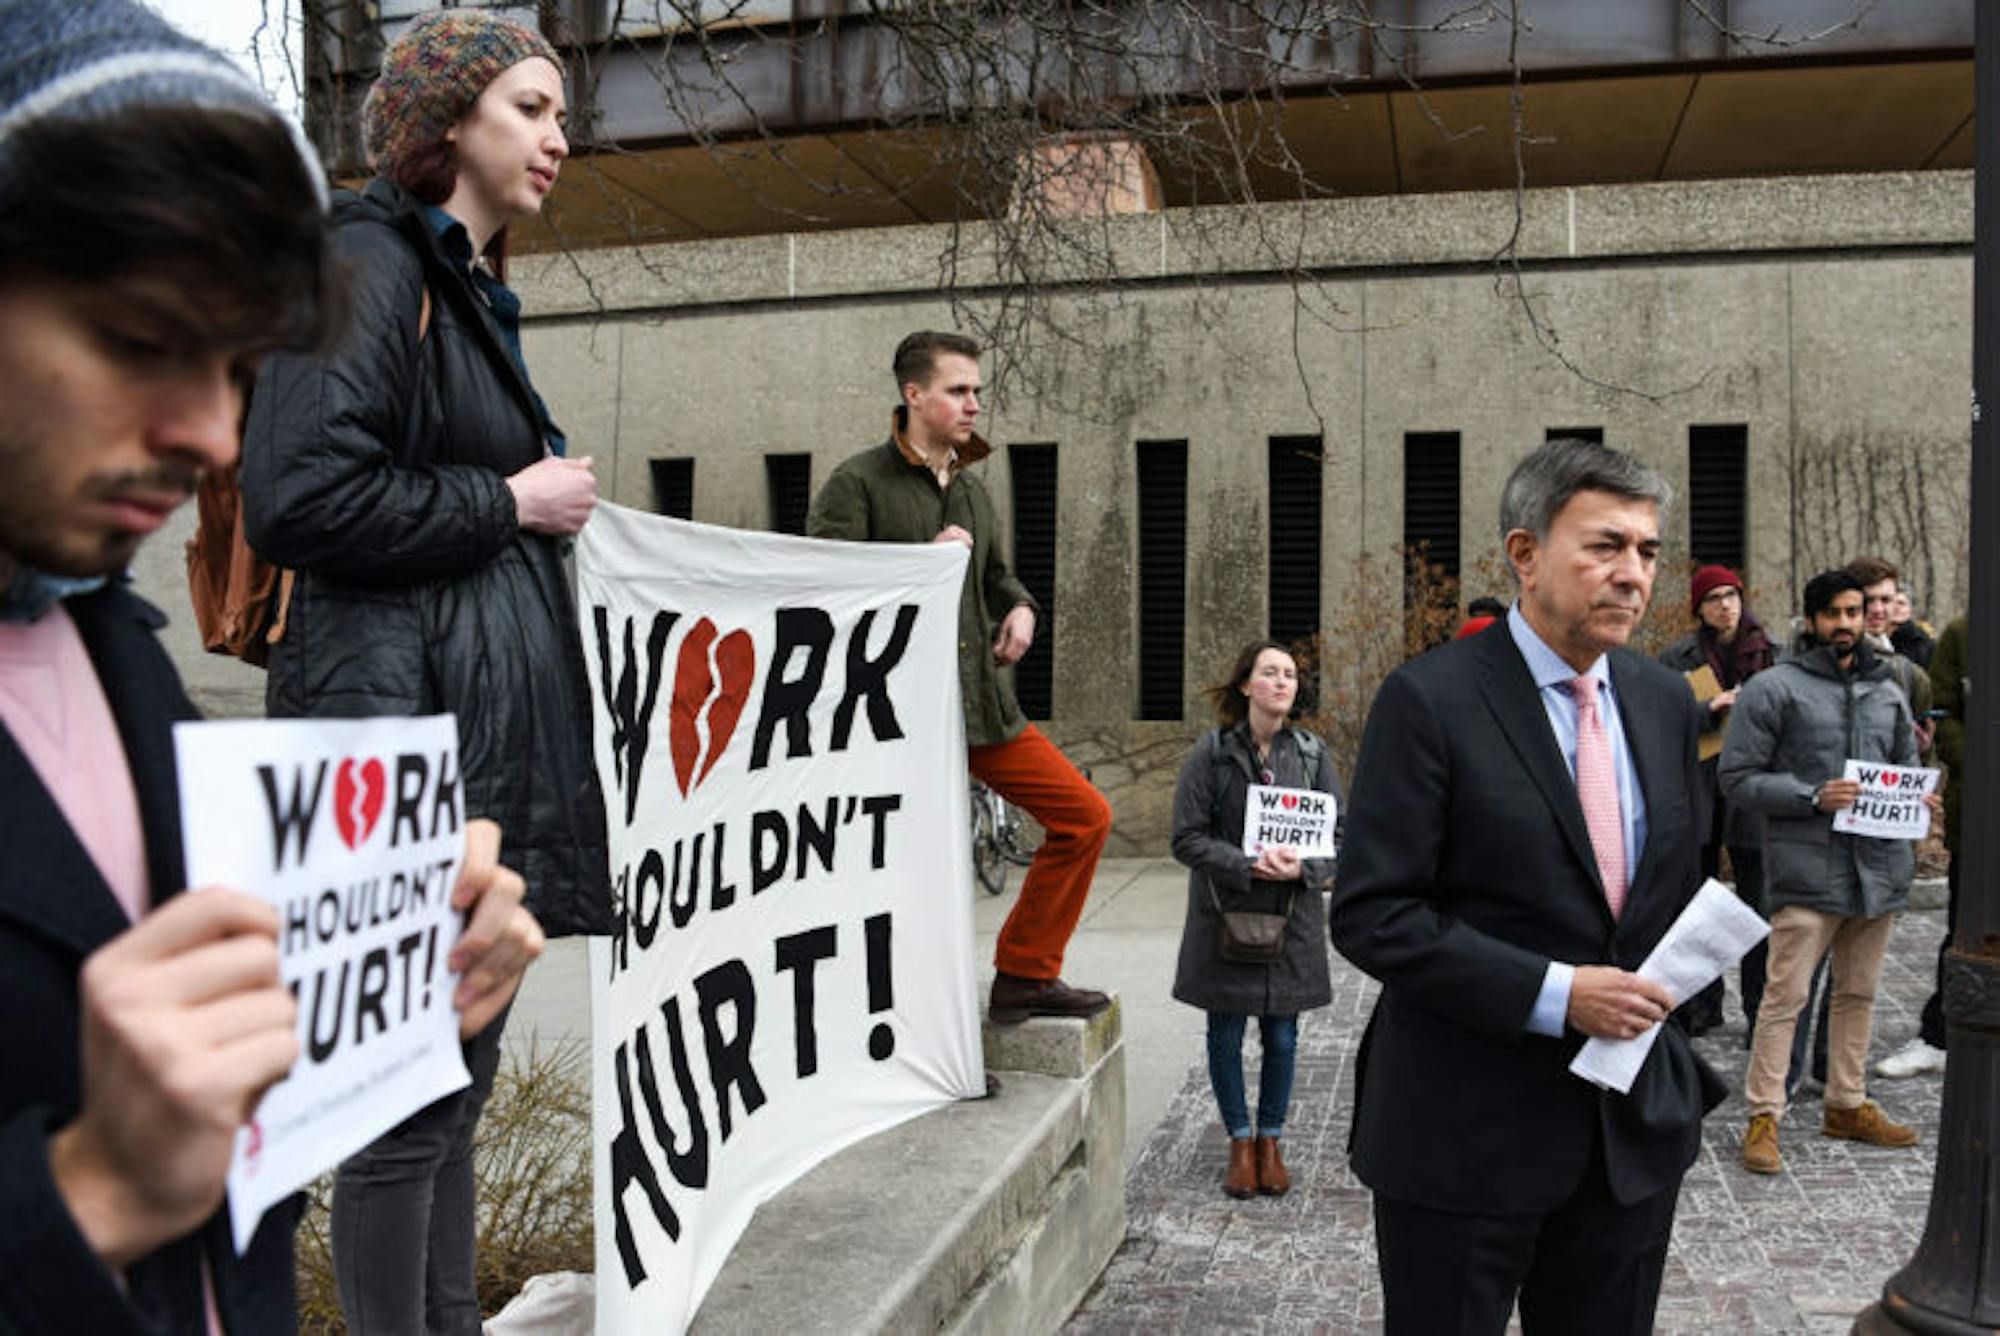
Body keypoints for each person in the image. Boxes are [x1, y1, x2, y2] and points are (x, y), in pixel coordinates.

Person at [0, 2, 543, 1329]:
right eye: (137, 338)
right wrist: (92, 1198)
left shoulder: (110, 651)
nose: (208, 434)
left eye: (237, 366)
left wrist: (385, 1003)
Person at [240, 11, 613, 1331]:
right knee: (405, 1109)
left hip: (459, 752)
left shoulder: (461, 284)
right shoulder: (365, 253)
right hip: (386, 744)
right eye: (529, 107)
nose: (558, 137)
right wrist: (510, 500)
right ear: (448, 121)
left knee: (450, 1095)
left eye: (562, 114)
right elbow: (295, 497)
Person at [1331, 439, 1719, 1335]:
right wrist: (1556, 995)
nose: (1633, 575)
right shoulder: (1428, 701)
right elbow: (1373, 914)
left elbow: (1670, 879)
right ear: (1524, 554)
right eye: (1606, 546)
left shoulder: (1664, 700)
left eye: (1648, 552)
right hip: (1466, 1137)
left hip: (1628, 1140)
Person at [808, 331, 1113, 1025]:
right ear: (914, 395)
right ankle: (911, 1026)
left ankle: (1026, 975)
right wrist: (920, 560)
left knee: (1085, 817)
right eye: (958, 390)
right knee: (917, 875)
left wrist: (1023, 610)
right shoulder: (858, 483)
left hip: (982, 709)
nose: (974, 403)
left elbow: (997, 575)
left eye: (977, 390)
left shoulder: (973, 491)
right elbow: (823, 589)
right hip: (896, 720)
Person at [1720, 570, 1937, 1175]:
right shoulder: (1772, 688)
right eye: (1833, 614)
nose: (1845, 624)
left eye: (1854, 612)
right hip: (1806, 871)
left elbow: (1905, 763)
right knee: (1784, 997)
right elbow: (1736, 779)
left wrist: (1917, 800)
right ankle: (1765, 1111)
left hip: (1879, 870)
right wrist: (1812, 794)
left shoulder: (1888, 687)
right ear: (1811, 619)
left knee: (1860, 993)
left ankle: (1845, 1101)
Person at [1170, 641, 1340, 1199]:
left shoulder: (1313, 756)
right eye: (1269, 673)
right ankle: (1239, 1142)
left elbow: (1341, 839)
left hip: (1291, 917)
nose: (1281, 682)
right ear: (1246, 685)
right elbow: (1186, 837)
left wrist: (1303, 867)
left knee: (1283, 1037)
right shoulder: (1212, 753)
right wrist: (1245, 864)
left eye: (1289, 674)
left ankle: (1271, 1140)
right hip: (1226, 914)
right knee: (1224, 1033)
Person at [1657, 565, 1776, 1039]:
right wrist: (1709, 710)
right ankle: (1699, 1007)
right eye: (1714, 598)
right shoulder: (1676, 658)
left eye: (1732, 596)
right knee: (1695, 907)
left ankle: (1759, 1011)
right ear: (1699, 609)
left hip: (1753, 794)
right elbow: (1660, 718)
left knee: (1757, 908)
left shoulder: (1773, 656)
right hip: (1698, 792)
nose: (1725, 605)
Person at [1876, 611, 1965, 1080]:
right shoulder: (1964, 633)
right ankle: (1939, 1035)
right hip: (1981, 816)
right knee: (1966, 930)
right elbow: (1945, 718)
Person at [1888, 584, 1936, 669]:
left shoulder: (1924, 643)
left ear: (1910, 609)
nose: (1896, 607)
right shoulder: (1877, 636)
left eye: (1901, 603)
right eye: (1891, 602)